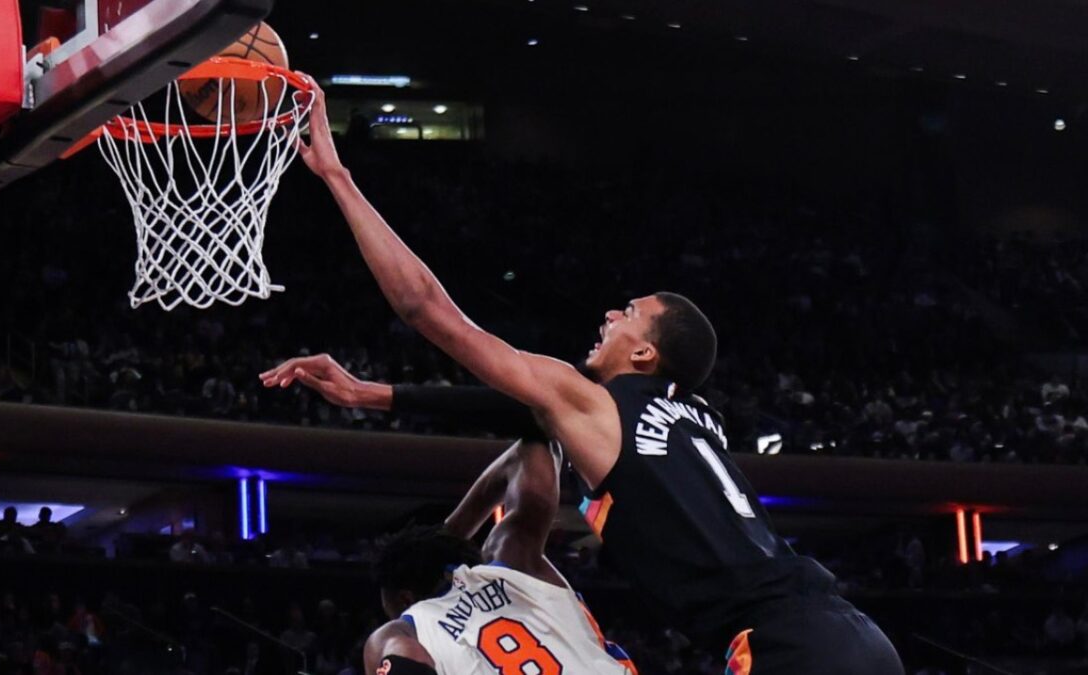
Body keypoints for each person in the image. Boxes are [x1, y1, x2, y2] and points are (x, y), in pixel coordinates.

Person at [263, 77, 903, 674]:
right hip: (851, 632)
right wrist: (373, 394)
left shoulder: (598, 404)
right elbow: (527, 420)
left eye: (629, 313)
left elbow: (425, 310)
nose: (609, 313)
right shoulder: (691, 417)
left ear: (646, 356)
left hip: (785, 646)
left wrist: (337, 176)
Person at [362, 440, 635, 675]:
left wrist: (443, 538)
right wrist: (450, 534)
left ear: (405, 599)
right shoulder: (514, 561)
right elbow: (531, 450)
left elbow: (406, 663)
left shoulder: (402, 631)